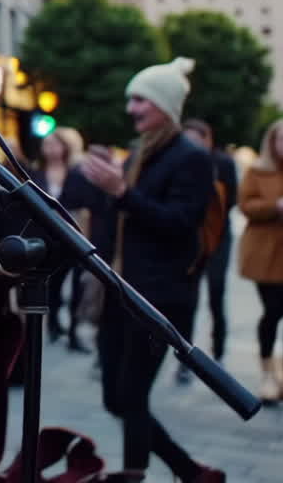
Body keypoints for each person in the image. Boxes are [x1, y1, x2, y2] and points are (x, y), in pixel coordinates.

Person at [78, 57, 224, 482]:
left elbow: (179, 225)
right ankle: (189, 470)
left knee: (130, 395)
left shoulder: (191, 158)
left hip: (158, 298)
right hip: (118, 293)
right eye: (130, 99)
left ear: (165, 103)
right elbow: (123, 220)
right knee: (114, 397)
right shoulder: (139, 151)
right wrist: (104, 191)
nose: (131, 108)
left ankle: (135, 472)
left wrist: (121, 191)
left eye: (140, 99)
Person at [180, 118, 237, 370]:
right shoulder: (180, 161)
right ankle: (186, 354)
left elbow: (231, 201)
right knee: (188, 298)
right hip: (191, 239)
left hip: (218, 237)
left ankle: (219, 348)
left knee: (216, 292)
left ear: (208, 139)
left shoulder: (223, 163)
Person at [235, 118, 283, 402]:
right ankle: (268, 373)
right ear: (271, 141)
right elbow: (246, 205)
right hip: (265, 255)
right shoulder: (257, 170)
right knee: (273, 311)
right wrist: (274, 206)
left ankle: (278, 372)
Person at [38, 128, 91, 352]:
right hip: (48, 237)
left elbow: (84, 200)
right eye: (47, 144)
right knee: (54, 284)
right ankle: (53, 324)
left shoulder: (77, 172)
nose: (50, 149)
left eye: (55, 144)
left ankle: (73, 331)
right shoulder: (35, 172)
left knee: (78, 284)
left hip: (74, 235)